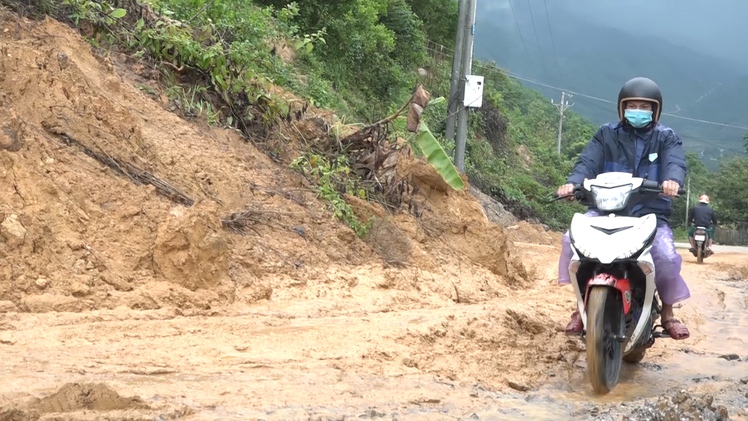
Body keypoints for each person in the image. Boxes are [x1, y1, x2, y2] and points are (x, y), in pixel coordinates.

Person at [556, 77, 690, 340]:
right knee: (570, 241)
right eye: (632, 105)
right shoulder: (606, 134)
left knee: (665, 255)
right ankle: (580, 309)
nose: (637, 110)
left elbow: (675, 163)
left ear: (655, 110)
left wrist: (672, 181)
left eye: (644, 106)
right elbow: (587, 163)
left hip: (649, 213)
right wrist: (572, 184)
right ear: (621, 108)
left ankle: (668, 314)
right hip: (605, 210)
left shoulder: (666, 138)